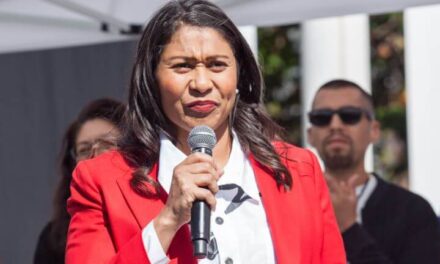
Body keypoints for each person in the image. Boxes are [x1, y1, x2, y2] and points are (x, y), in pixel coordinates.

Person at [65, 1, 345, 263]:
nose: (201, 83)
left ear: (239, 76)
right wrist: (168, 220)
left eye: (217, 65)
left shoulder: (299, 170)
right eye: (182, 66)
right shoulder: (102, 181)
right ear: (152, 80)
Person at [307, 79, 440, 263]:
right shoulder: (288, 205)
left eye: (349, 115)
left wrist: (349, 228)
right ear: (310, 134)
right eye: (322, 117)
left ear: (374, 130)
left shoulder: (413, 212)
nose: (335, 125)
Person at [34, 98, 125, 264]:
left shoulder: (160, 212)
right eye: (84, 150)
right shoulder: (53, 238)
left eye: (107, 143)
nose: (95, 155)